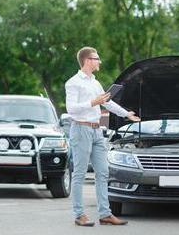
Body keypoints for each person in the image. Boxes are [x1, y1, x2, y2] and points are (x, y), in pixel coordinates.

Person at [65, 46, 140, 227]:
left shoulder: (95, 82)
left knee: (103, 172)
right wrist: (93, 102)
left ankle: (105, 214)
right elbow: (71, 109)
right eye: (96, 58)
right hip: (81, 129)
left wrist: (126, 114)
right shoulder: (73, 82)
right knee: (80, 174)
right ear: (87, 60)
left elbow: (108, 102)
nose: (99, 61)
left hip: (97, 131)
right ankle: (79, 215)